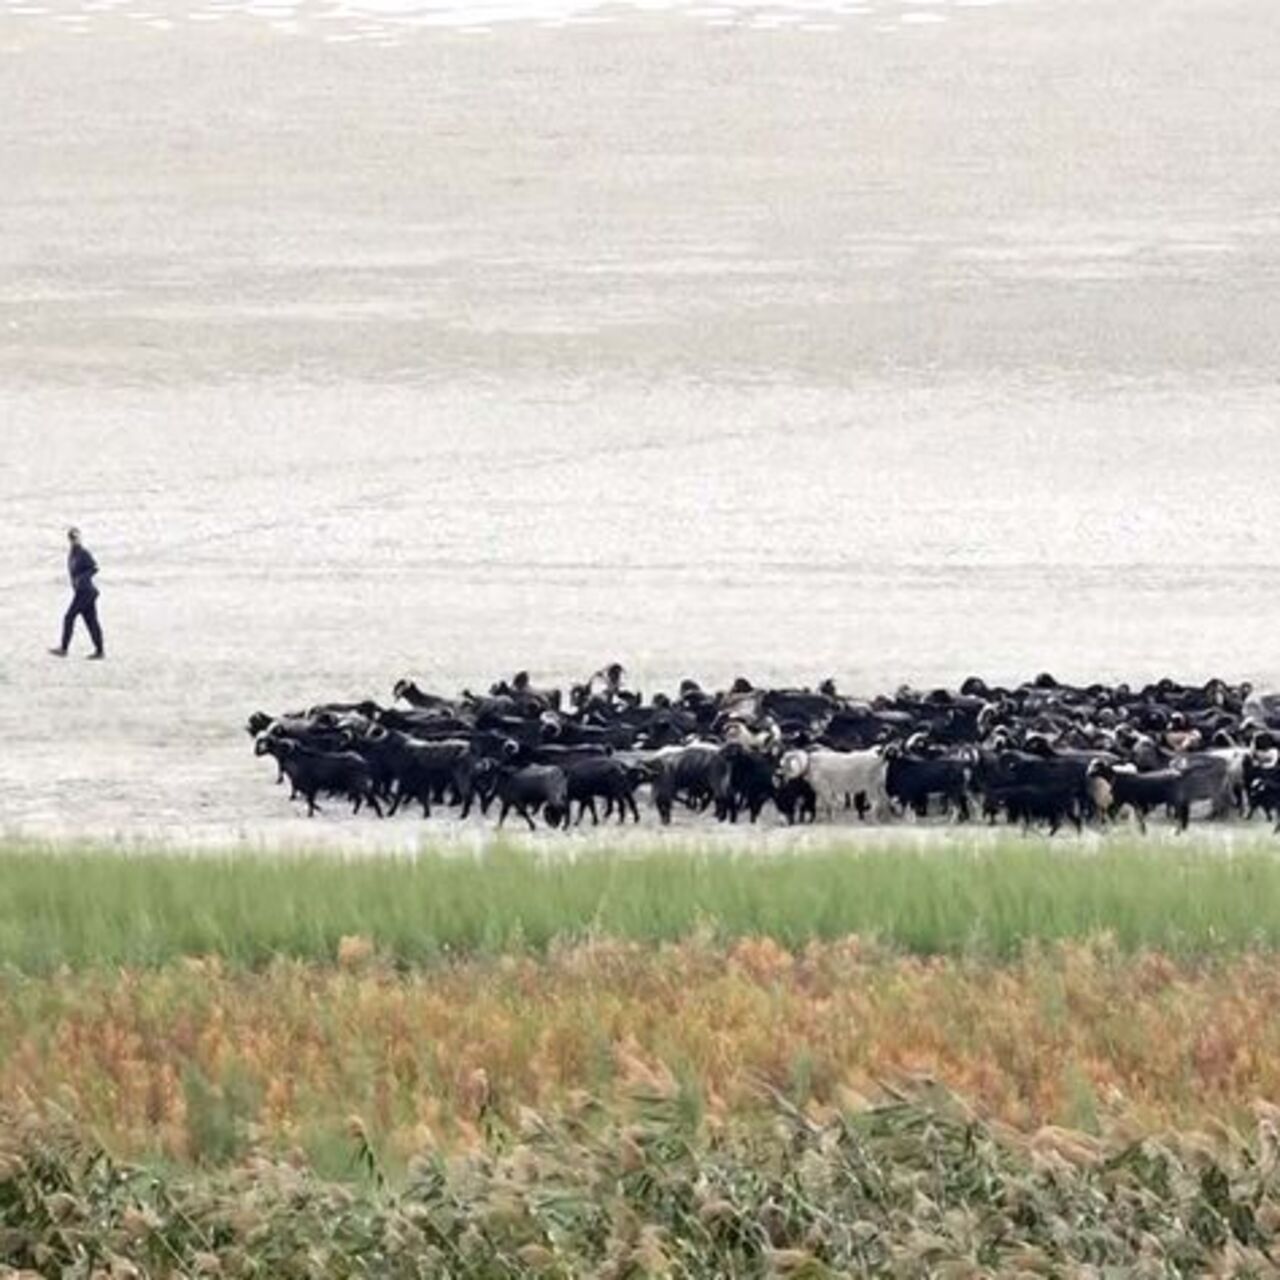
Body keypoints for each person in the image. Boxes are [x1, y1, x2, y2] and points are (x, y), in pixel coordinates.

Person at [49, 527, 104, 660]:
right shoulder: (72, 554)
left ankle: (63, 649)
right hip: (82, 592)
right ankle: (100, 652)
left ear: (80, 538)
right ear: (69, 539)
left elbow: (95, 568)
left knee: (69, 617)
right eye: (72, 538)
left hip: (86, 592)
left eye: (76, 537)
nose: (75, 540)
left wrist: (82, 578)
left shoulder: (83, 552)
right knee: (91, 622)